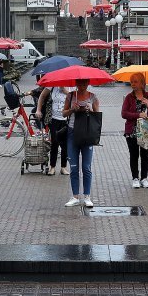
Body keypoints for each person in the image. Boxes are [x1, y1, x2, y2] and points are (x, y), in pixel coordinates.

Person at [62, 79, 100, 207]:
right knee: (73, 167)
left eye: (85, 84)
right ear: (76, 84)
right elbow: (63, 113)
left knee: (86, 167)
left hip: (87, 134)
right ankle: (75, 196)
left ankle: (87, 196)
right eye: (80, 84)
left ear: (88, 83)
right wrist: (72, 109)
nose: (82, 86)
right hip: (72, 133)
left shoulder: (93, 97)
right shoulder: (71, 95)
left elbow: (98, 116)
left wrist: (91, 110)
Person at [121, 73, 148, 188]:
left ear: (142, 83)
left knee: (145, 154)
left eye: (136, 82)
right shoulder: (129, 97)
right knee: (133, 155)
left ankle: (144, 178)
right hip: (132, 131)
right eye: (132, 82)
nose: (133, 84)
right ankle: (135, 178)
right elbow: (124, 113)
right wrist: (138, 114)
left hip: (147, 130)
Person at [37, 82, 70, 176]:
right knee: (55, 142)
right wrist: (38, 110)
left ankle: (63, 167)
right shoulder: (52, 85)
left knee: (65, 144)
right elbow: (42, 96)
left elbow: (74, 99)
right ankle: (52, 167)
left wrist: (64, 90)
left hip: (66, 119)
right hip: (54, 119)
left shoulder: (70, 85)